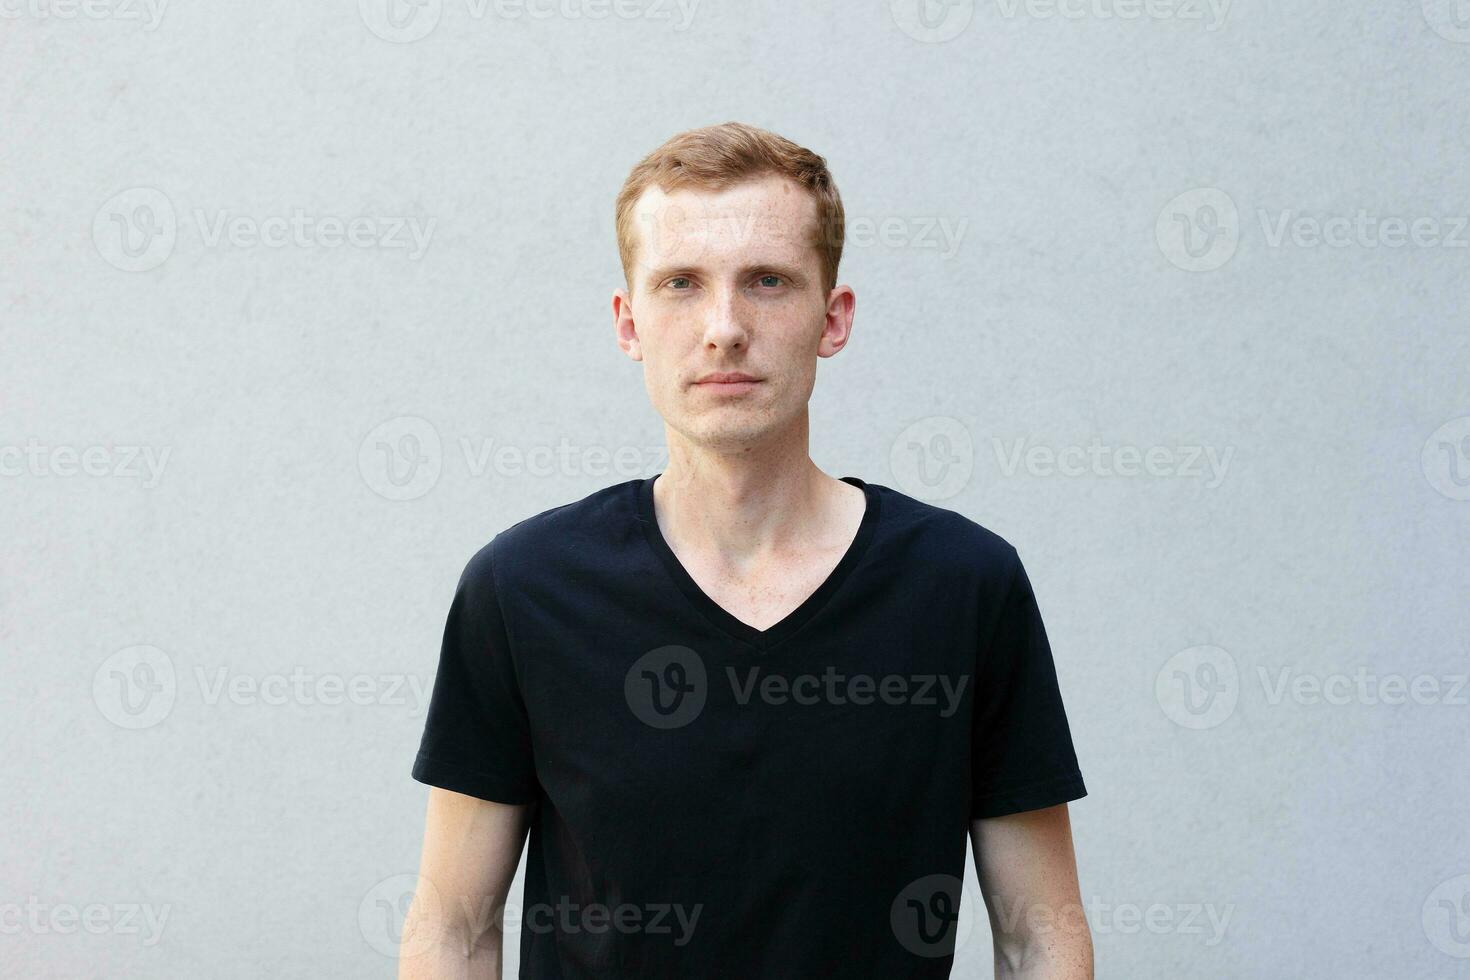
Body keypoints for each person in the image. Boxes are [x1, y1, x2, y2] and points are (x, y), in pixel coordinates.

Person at [400, 121, 1092, 979]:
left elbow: (1039, 936)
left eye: (767, 282)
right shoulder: (524, 589)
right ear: (629, 324)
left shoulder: (963, 587)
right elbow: (454, 929)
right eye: (681, 284)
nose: (723, 327)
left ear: (833, 319)